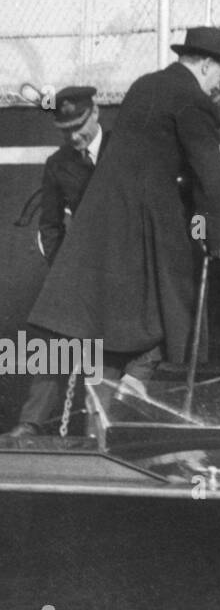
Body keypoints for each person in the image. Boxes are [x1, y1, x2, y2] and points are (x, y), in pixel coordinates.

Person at [24, 27, 220, 385]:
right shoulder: (193, 99)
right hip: (152, 215)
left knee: (116, 313)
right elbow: (208, 173)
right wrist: (216, 235)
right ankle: (137, 381)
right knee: (173, 302)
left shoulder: (144, 85)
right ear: (204, 64)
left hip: (108, 217)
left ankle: (110, 397)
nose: (218, 82)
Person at [4, 87, 107, 436]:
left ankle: (104, 428)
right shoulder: (57, 164)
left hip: (126, 267)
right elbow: (49, 225)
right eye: (66, 131)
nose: (74, 137)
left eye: (79, 127)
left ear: (96, 112)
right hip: (80, 268)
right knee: (53, 336)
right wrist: (65, 270)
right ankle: (30, 424)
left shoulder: (123, 150)